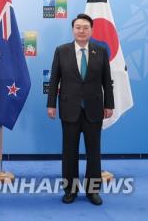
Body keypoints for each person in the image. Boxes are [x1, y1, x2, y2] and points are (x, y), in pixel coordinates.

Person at [47, 13, 114, 205]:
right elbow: (54, 80)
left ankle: (93, 191)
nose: (82, 30)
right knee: (69, 152)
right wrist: (51, 104)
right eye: (78, 27)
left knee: (94, 152)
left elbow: (106, 81)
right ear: (73, 30)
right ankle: (70, 190)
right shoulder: (62, 51)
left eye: (85, 27)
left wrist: (109, 104)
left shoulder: (100, 51)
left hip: (94, 109)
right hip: (69, 109)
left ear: (91, 30)